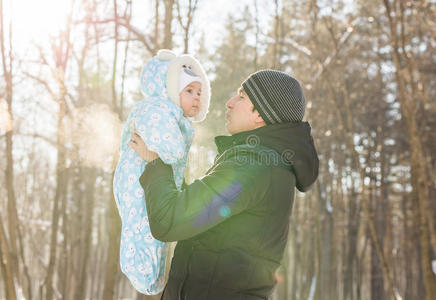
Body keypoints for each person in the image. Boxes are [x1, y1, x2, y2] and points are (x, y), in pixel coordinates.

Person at [129, 70, 319, 300]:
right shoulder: (267, 164)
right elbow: (196, 216)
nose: (230, 103)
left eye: (241, 97)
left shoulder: (254, 165)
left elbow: (170, 220)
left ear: (259, 113)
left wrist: (156, 164)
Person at [113, 49, 210, 295]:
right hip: (139, 178)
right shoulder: (157, 107)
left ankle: (151, 277)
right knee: (142, 226)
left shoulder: (172, 113)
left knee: (151, 228)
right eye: (189, 91)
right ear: (169, 90)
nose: (196, 98)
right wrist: (174, 151)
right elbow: (171, 149)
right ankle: (142, 272)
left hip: (150, 179)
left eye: (199, 92)